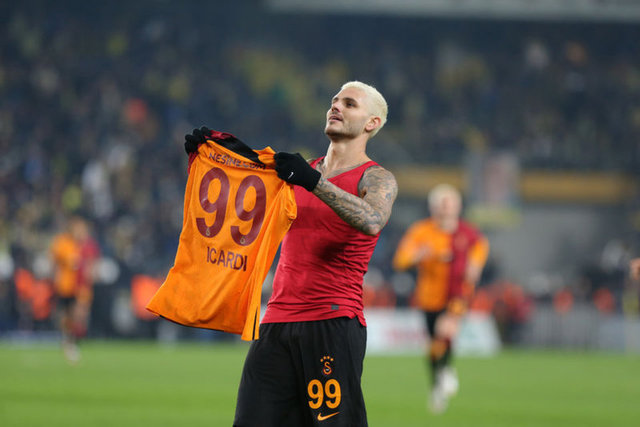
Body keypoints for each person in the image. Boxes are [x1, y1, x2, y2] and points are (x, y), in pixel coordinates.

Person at [182, 81, 396, 426]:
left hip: (331, 321)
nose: (336, 106)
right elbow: (247, 204)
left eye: (349, 104)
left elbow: (372, 220)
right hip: (276, 322)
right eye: (334, 100)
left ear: (372, 123)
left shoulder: (376, 177)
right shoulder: (300, 171)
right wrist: (222, 155)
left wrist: (313, 181)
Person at [392, 183, 489, 413]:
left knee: (447, 329)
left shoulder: (467, 233)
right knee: (434, 345)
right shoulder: (421, 231)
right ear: (433, 207)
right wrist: (419, 255)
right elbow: (400, 260)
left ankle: (445, 372)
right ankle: (438, 380)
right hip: (428, 297)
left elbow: (481, 247)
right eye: (441, 204)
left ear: (458, 207)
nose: (446, 209)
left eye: (450, 204)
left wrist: (475, 265)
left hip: (458, 293)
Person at [50, 216, 100, 363]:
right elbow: (55, 262)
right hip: (64, 286)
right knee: (66, 315)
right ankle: (68, 339)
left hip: (79, 287)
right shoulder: (63, 243)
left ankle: (73, 340)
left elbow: (90, 265)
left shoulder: (85, 245)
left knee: (78, 314)